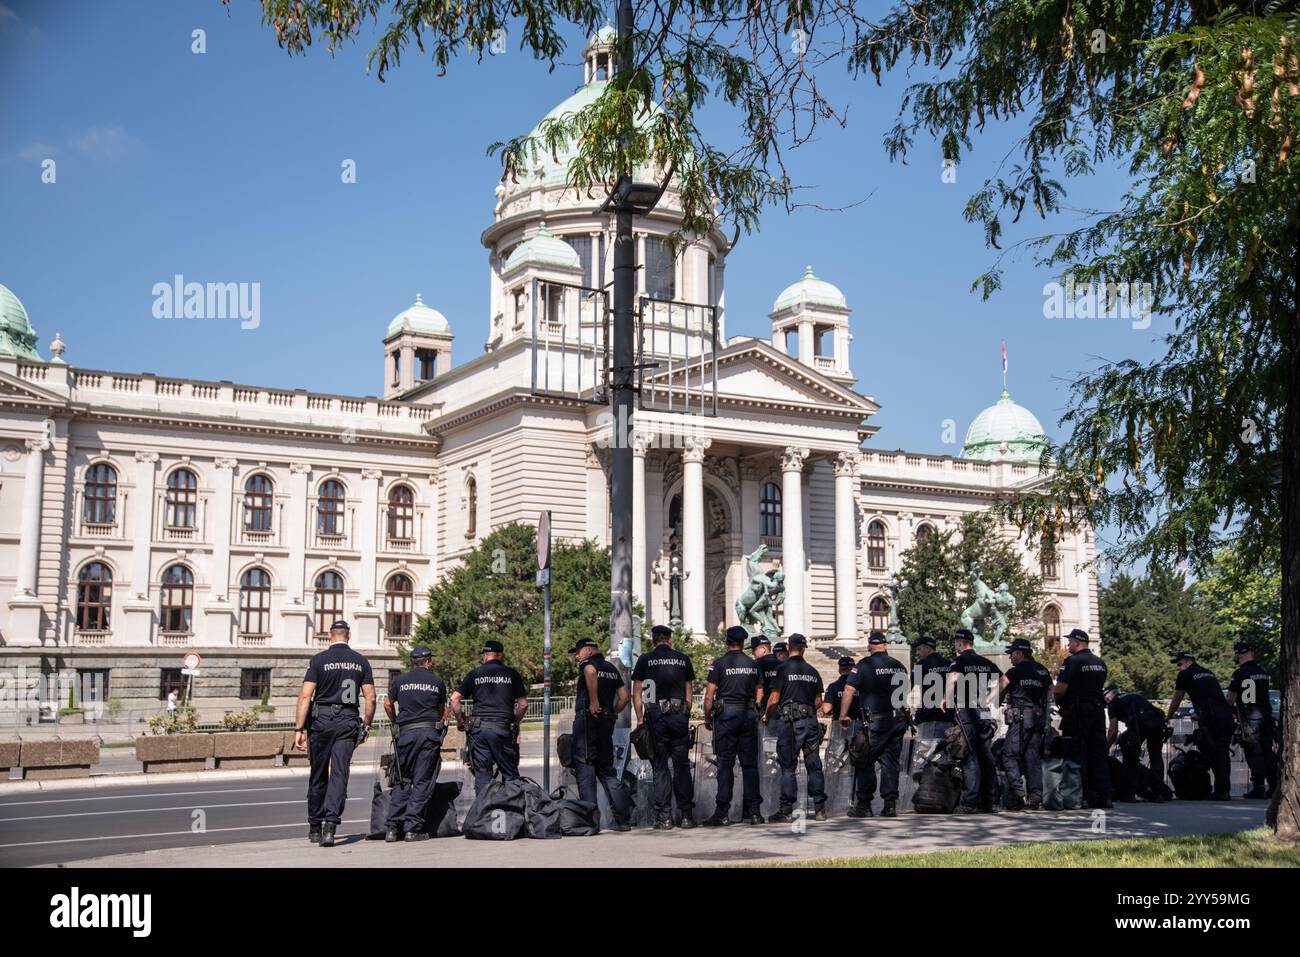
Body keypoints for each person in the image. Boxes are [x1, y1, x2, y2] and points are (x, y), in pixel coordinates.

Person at [294, 619, 375, 847]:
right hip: (348, 721)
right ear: (348, 635)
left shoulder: (319, 660)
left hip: (322, 721)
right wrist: (366, 726)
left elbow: (305, 696)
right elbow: (370, 697)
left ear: (330, 635)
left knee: (318, 773)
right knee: (340, 773)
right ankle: (331, 827)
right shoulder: (360, 661)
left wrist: (299, 728)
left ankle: (315, 828)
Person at [632, 625, 697, 829]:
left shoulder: (644, 659)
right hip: (678, 717)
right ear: (669, 639)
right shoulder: (682, 658)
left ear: (654, 640)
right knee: (682, 765)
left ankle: (665, 817)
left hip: (655, 716)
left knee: (660, 767)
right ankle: (686, 815)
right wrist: (685, 712)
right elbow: (689, 690)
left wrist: (640, 718)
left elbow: (637, 692)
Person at [839, 631, 909, 817]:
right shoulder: (899, 666)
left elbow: (848, 689)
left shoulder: (864, 665)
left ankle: (864, 805)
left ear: (870, 646)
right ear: (885, 646)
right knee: (890, 763)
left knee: (865, 759)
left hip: (875, 721)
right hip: (897, 719)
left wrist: (843, 715)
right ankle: (890, 805)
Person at [382, 644, 448, 842]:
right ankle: (413, 829)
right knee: (422, 781)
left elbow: (387, 702)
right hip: (428, 734)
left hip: (406, 734)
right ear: (427, 662)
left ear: (413, 662)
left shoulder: (400, 680)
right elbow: (442, 709)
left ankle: (392, 828)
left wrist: (394, 720)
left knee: (403, 779)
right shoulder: (437, 682)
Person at [703, 626, 764, 826]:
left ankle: (722, 813)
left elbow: (709, 695)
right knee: (750, 766)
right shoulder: (753, 665)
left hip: (726, 718)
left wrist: (707, 717)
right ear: (743, 643)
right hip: (747, 716)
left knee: (725, 766)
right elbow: (760, 693)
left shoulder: (719, 664)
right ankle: (754, 812)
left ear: (727, 641)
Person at [572, 638, 634, 830]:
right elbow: (625, 697)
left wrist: (593, 702)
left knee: (585, 769)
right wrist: (614, 712)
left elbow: (590, 672)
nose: (576, 655)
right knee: (608, 771)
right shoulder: (610, 668)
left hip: (588, 722)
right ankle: (623, 820)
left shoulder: (588, 665)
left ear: (589, 651)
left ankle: (591, 823)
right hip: (606, 723)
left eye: (579, 651)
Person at [763, 633, 826, 823]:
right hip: (810, 722)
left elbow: (774, 698)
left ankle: (786, 809)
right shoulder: (813, 671)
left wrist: (768, 715)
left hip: (790, 723)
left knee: (788, 766)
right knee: (814, 765)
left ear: (789, 647)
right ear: (805, 647)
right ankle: (820, 808)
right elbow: (818, 702)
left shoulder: (782, 669)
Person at [450, 639, 528, 792]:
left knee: (483, 775)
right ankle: (511, 811)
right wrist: (514, 722)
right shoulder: (512, 674)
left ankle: (485, 812)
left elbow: (454, 700)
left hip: (479, 731)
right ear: (500, 656)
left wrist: (461, 721)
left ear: (486, 655)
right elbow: (523, 704)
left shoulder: (475, 674)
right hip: (502, 730)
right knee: (510, 775)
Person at [1053, 627, 1112, 809]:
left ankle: (1084, 796)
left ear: (1078, 643)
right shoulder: (1100, 662)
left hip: (1077, 713)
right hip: (1097, 711)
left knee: (1078, 754)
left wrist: (1058, 702)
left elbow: (1060, 689)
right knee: (1098, 753)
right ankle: (1103, 796)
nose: (1067, 644)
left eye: (1070, 641)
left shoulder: (1072, 662)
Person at [944, 628, 1001, 813]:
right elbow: (1005, 680)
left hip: (967, 710)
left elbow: (953, 680)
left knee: (969, 755)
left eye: (956, 642)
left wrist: (945, 698)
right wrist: (990, 698)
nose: (955, 645)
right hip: (983, 710)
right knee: (985, 753)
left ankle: (970, 802)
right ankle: (989, 800)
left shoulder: (959, 661)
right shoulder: (984, 661)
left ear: (961, 643)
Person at [1166, 651, 1235, 800]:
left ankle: (1220, 792)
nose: (1178, 667)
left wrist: (1169, 715)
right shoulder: (1208, 672)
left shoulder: (1185, 675)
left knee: (1215, 754)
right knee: (1222, 753)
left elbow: (1178, 697)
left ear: (1187, 661)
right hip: (1225, 716)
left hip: (1213, 719)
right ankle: (1223, 790)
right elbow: (1212, 697)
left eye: (1179, 664)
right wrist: (1199, 714)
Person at [998, 638, 1052, 810]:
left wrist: (991, 701)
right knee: (1032, 757)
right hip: (1039, 717)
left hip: (1021, 719)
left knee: (1009, 755)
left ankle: (1018, 794)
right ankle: (1035, 797)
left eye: (1012, 654)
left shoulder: (1014, 672)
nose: (1010, 658)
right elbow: (1051, 691)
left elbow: (1001, 687)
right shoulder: (1042, 670)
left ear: (1020, 653)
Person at [1227, 641, 1276, 799]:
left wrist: (1228, 710)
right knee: (1267, 751)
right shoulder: (1262, 672)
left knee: (1253, 753)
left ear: (1238, 655)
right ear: (1251, 653)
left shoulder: (1239, 673)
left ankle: (1258, 786)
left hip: (1249, 717)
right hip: (1266, 717)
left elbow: (1231, 698)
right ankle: (1274, 785)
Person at [1104, 687, 1167, 802]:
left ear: (1108, 697)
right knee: (1156, 757)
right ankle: (1159, 793)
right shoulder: (1133, 695)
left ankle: (1129, 794)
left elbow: (1112, 731)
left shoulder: (1113, 703)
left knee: (1130, 758)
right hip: (1157, 723)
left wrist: (1105, 748)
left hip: (1139, 725)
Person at [910, 637, 951, 725]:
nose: (917, 653)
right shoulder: (950, 663)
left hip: (929, 716)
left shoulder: (921, 665)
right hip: (949, 715)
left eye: (919, 649)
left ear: (928, 649)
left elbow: (909, 687)